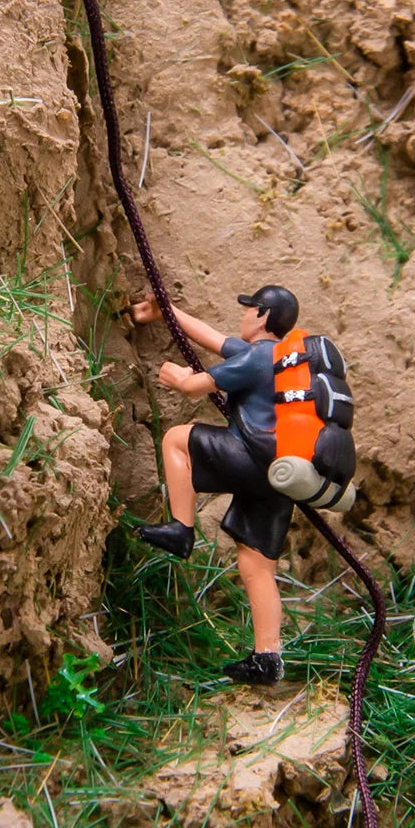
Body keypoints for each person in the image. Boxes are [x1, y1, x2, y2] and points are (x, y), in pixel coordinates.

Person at [129, 285, 301, 686]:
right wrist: (165, 310)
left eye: (248, 309)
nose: (242, 316)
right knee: (257, 564)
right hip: (281, 476)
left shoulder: (258, 357)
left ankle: (180, 529)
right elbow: (208, 335)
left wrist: (178, 376)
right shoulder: (281, 360)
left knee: (177, 439)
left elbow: (194, 386)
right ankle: (267, 657)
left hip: (251, 460)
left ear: (262, 316)